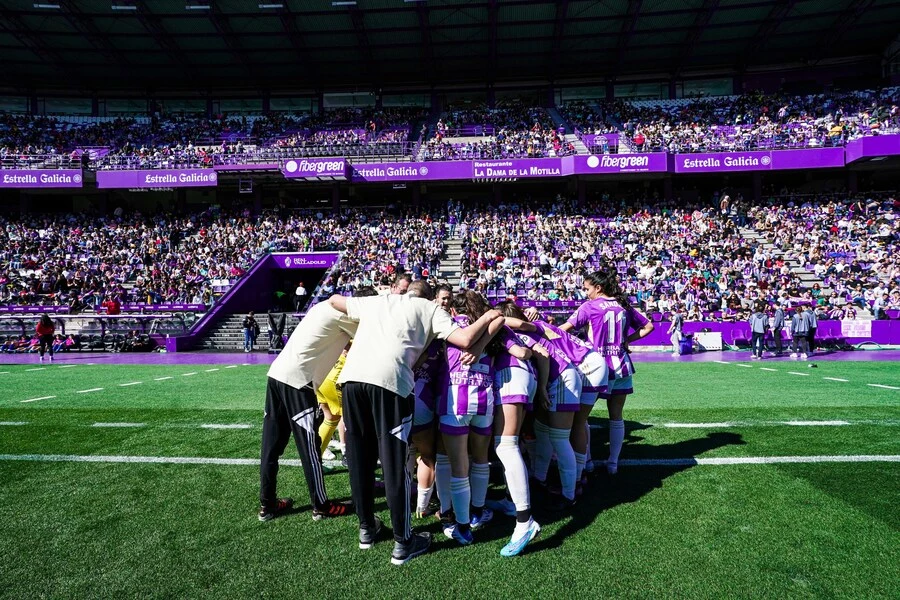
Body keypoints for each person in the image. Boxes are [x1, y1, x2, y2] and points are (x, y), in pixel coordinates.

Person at [329, 281, 502, 566]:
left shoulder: (380, 300)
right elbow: (465, 340)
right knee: (395, 463)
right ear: (429, 297)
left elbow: (335, 300)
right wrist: (487, 316)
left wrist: (378, 305)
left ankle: (366, 529)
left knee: (359, 458)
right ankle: (403, 541)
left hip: (351, 381)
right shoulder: (429, 309)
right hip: (390, 384)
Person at [258, 301, 358, 523]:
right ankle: (321, 506)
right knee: (309, 448)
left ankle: (267, 504)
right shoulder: (347, 316)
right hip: (299, 382)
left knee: (270, 447)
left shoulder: (323, 306)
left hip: (276, 374)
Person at [559, 267, 654, 476]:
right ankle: (613, 463)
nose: (585, 292)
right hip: (621, 365)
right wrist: (627, 340)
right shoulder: (622, 304)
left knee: (582, 419)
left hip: (595, 368)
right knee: (616, 417)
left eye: (587, 288)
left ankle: (588, 462)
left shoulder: (589, 307)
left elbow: (563, 330)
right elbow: (649, 326)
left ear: (598, 287)